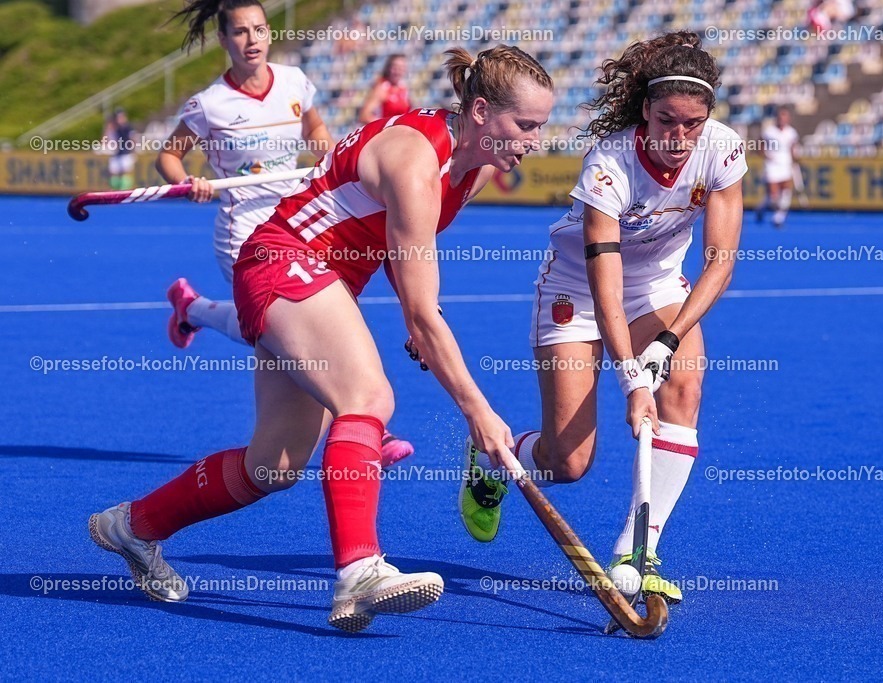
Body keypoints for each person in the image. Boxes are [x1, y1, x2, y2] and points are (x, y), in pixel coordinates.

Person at [89, 44, 553, 633]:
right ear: (482, 111)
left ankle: (134, 525)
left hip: (313, 279)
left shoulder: (472, 170)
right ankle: (359, 571)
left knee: (274, 466)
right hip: (285, 262)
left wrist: (422, 319)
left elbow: (404, 263)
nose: (535, 141)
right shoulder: (416, 159)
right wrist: (478, 412)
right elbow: (419, 308)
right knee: (368, 400)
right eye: (526, 125)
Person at [457, 31, 745, 606]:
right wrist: (632, 378)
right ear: (645, 109)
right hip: (577, 291)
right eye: (666, 120)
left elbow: (719, 263)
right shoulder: (609, 164)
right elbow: (603, 286)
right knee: (568, 464)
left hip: (659, 287)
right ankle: (498, 455)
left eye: (692, 123)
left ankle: (639, 551)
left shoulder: (723, 149)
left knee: (685, 384)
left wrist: (666, 342)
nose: (679, 137)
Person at [155, 0, 413, 465]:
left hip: (300, 222)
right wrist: (188, 181)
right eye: (239, 32)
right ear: (223, 40)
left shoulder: (294, 81)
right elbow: (169, 157)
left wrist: (332, 158)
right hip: (244, 231)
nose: (251, 40)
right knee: (282, 330)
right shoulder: (210, 104)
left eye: (258, 30)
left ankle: (191, 308)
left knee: (311, 321)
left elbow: (316, 131)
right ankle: (365, 421)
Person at [757, 107, 799, 228]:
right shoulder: (769, 131)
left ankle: (778, 218)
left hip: (785, 164)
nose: (782, 119)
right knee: (773, 196)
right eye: (780, 117)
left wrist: (795, 160)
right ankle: (761, 209)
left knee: (785, 192)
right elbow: (760, 145)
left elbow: (793, 148)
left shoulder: (791, 132)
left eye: (785, 117)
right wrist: (766, 155)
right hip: (772, 165)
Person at [357, 54, 411, 124]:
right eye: (395, 67)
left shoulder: (404, 89)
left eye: (401, 68)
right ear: (389, 68)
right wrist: (387, 126)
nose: (398, 71)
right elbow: (364, 116)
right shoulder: (382, 88)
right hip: (385, 131)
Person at [104, 108, 137, 191]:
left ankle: (125, 191)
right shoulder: (114, 128)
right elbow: (106, 138)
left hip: (126, 153)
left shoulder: (128, 127)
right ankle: (114, 190)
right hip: (116, 153)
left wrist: (133, 150)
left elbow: (133, 139)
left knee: (125, 172)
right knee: (113, 173)